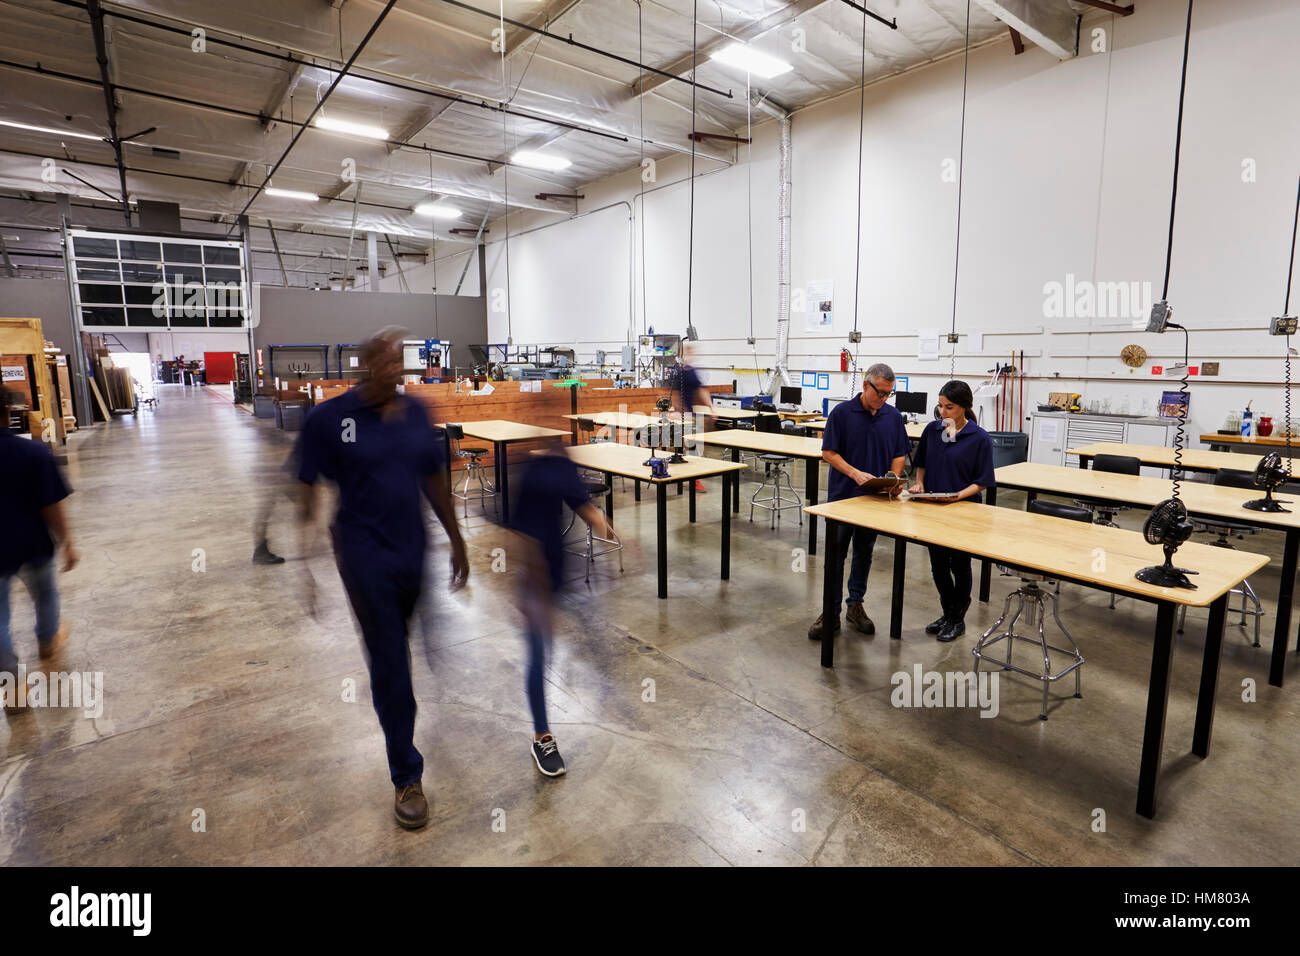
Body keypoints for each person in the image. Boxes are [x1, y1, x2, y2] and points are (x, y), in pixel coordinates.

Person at [297, 327, 469, 830]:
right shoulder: (332, 419)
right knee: (391, 661)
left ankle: (403, 683)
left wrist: (457, 540)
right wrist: (305, 563)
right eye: (387, 360)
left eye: (401, 359)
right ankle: (406, 776)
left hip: (412, 552)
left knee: (406, 643)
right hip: (362, 556)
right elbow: (306, 486)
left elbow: (433, 478)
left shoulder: (416, 411)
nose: (397, 368)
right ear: (367, 363)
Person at [509, 438, 616, 777]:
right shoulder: (531, 472)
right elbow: (521, 537)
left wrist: (611, 531)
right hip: (534, 577)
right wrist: (537, 593)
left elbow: (585, 508)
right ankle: (542, 736)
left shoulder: (562, 466)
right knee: (539, 656)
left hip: (559, 575)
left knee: (587, 644)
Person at [808, 363, 911, 640]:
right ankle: (830, 611)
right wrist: (855, 473)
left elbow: (900, 453)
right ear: (866, 386)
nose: (884, 399)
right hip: (842, 499)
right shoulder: (842, 414)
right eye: (880, 392)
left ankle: (855, 605)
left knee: (864, 553)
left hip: (875, 501)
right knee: (836, 555)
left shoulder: (893, 416)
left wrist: (894, 480)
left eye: (889, 394)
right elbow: (828, 452)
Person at [1, 389, 78, 714]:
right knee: (45, 595)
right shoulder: (33, 453)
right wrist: (68, 542)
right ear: (8, 411)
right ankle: (47, 640)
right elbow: (51, 505)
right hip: (31, 543)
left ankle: (13, 690)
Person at [906, 379, 996, 643]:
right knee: (938, 566)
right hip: (934, 507)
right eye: (940, 406)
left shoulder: (979, 438)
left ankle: (957, 619)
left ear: (964, 407)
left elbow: (983, 481)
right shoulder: (933, 430)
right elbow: (921, 462)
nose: (942, 412)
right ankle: (949, 613)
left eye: (949, 407)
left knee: (960, 564)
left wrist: (957, 496)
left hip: (964, 510)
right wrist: (920, 482)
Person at [670, 339, 714, 493]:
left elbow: (701, 390)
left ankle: (692, 477)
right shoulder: (678, 372)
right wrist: (679, 411)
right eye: (689, 352)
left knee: (694, 448)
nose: (692, 355)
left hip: (690, 414)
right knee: (691, 448)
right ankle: (692, 480)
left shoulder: (692, 372)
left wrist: (711, 408)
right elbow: (674, 394)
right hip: (681, 415)